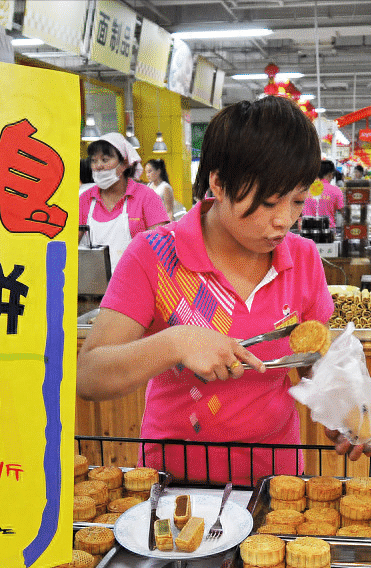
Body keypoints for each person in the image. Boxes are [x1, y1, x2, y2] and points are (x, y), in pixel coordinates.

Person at [76, 97, 356, 486]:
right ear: (219, 184)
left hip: (276, 483)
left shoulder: (303, 257)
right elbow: (88, 377)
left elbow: (314, 359)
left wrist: (340, 406)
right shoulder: (154, 254)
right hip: (176, 485)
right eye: (268, 202)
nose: (283, 221)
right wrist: (174, 343)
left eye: (296, 201)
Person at [78, 133, 169, 271]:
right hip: (94, 288)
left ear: (124, 163)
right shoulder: (85, 199)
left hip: (136, 286)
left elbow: (161, 247)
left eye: (105, 159)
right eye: (94, 161)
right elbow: (70, 245)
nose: (98, 166)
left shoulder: (146, 197)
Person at [302, 159, 345, 229]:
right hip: (327, 232)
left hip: (307, 232)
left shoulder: (305, 189)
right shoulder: (336, 190)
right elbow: (344, 213)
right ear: (330, 174)